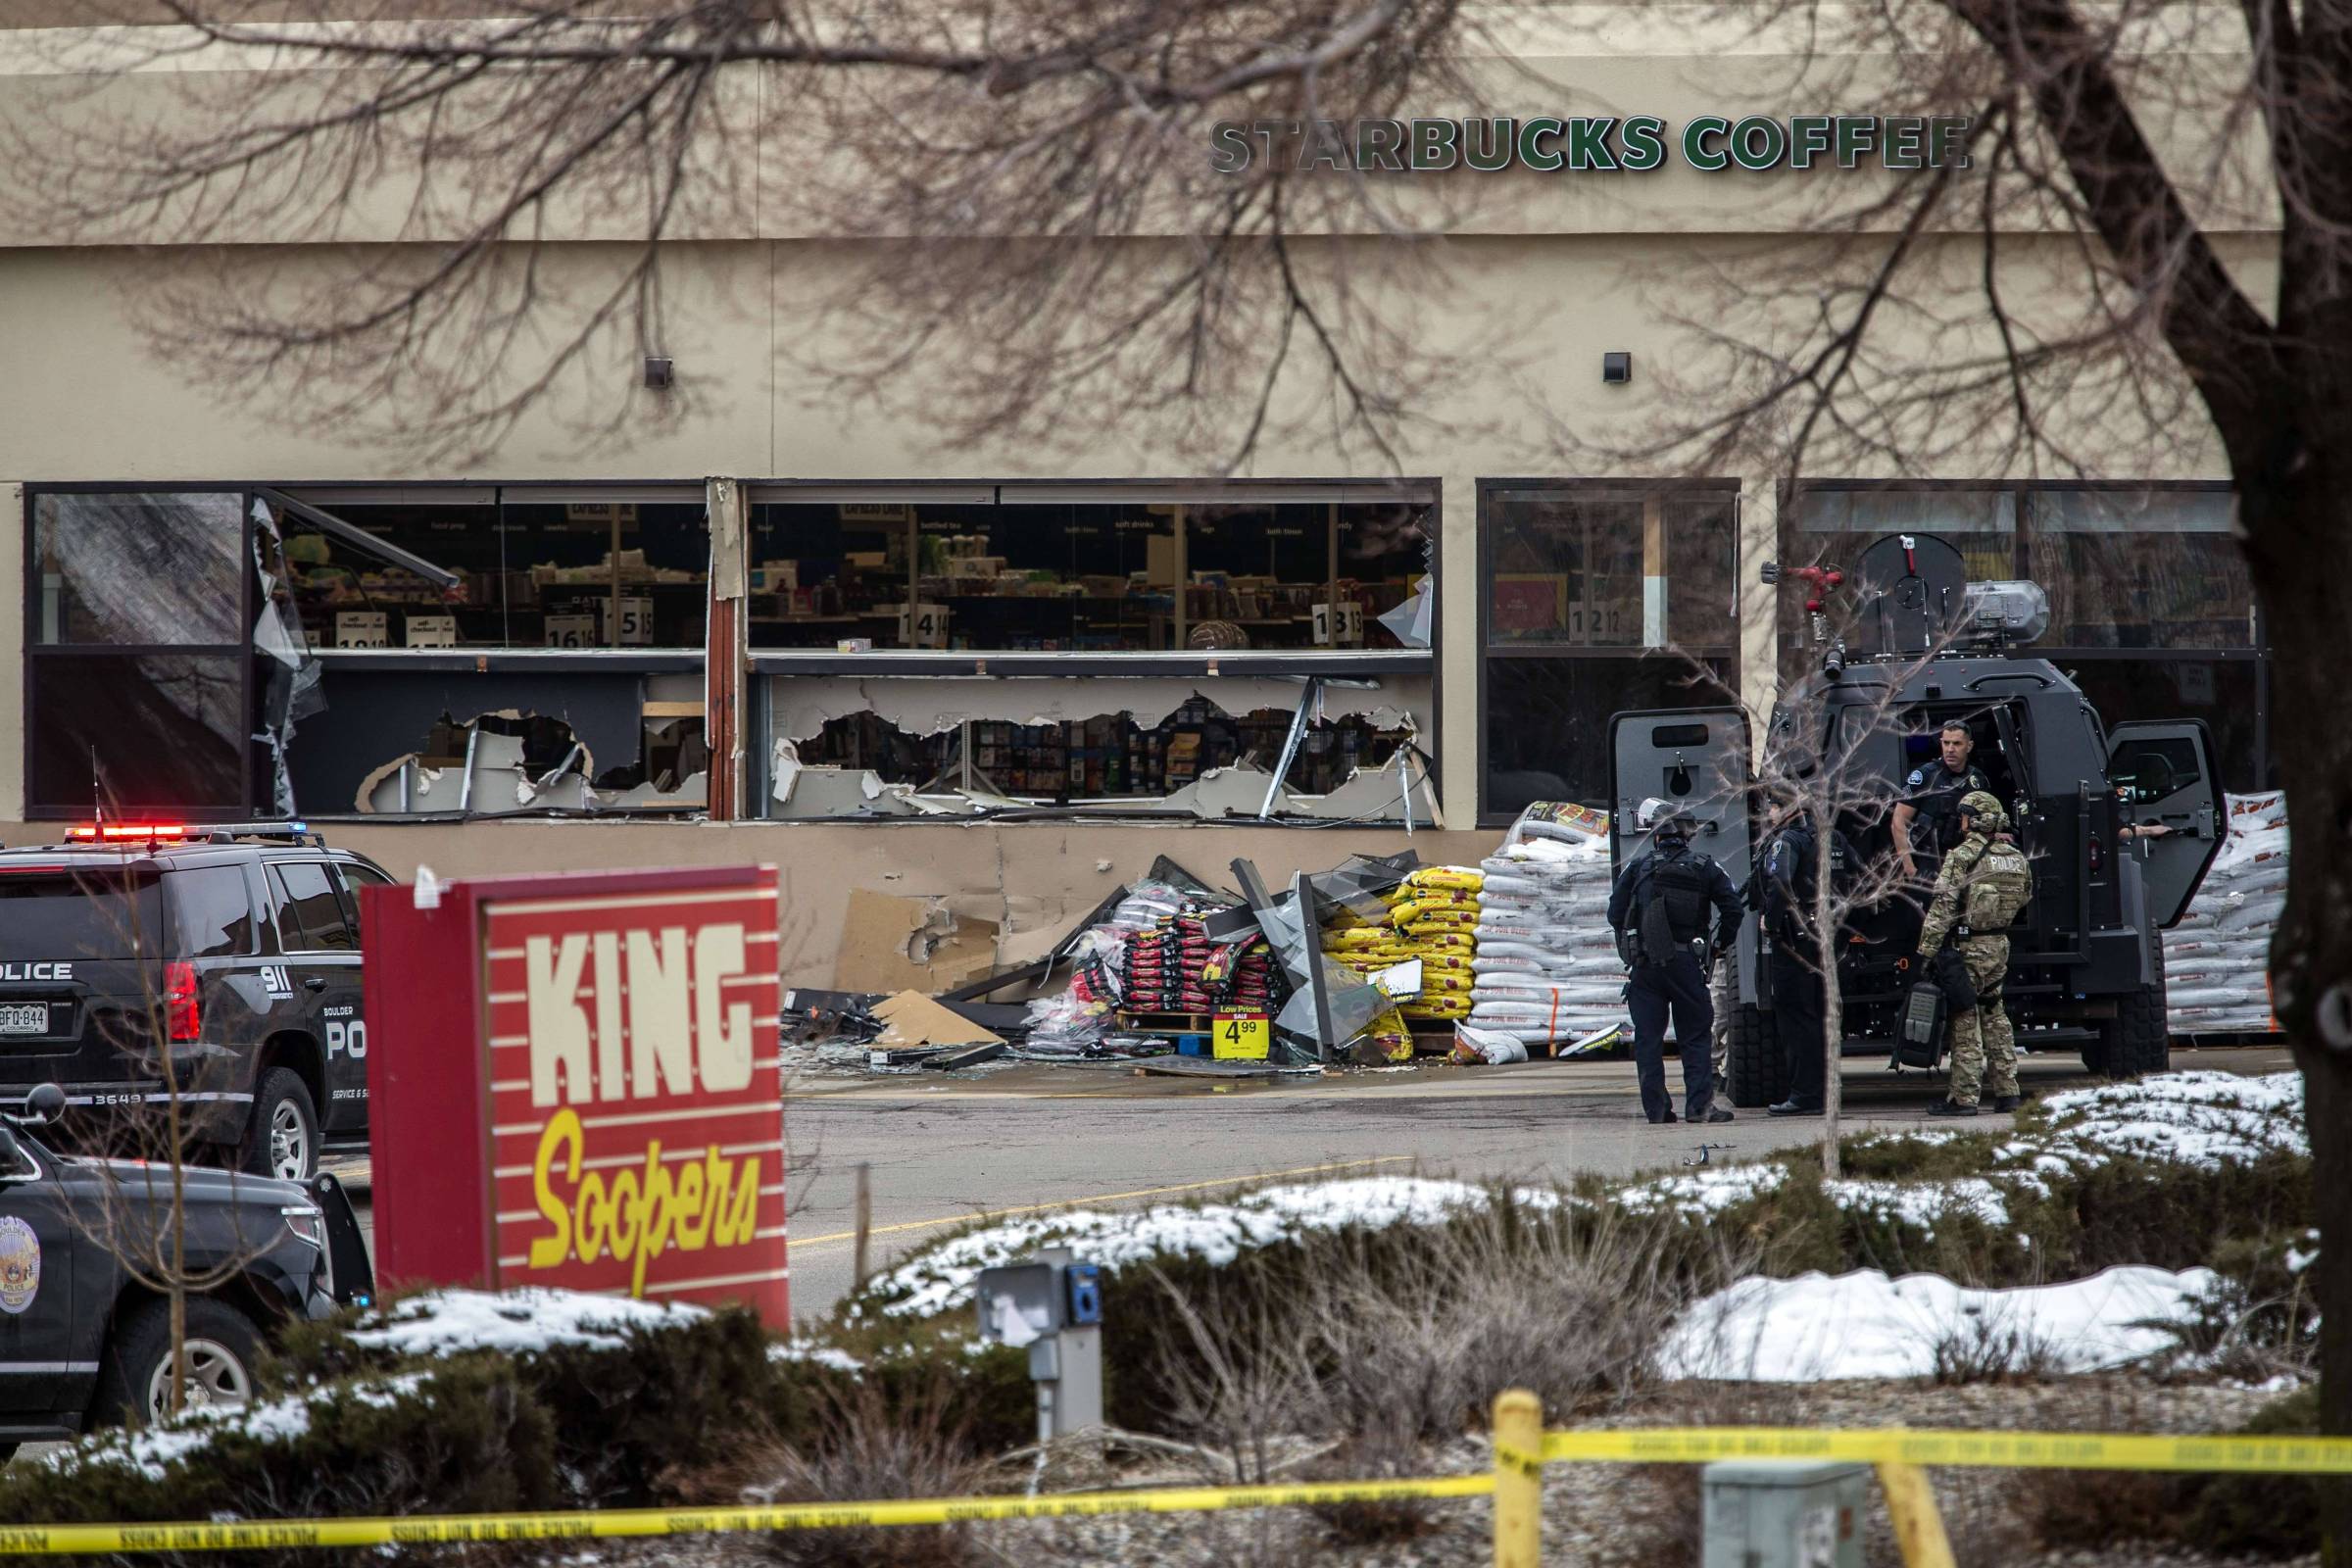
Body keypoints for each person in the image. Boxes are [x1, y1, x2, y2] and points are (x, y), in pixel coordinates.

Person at [1607, 807, 1745, 1125]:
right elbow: (1733, 910)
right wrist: (1719, 945)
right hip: (1687, 963)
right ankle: (1699, 1109)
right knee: (1695, 1037)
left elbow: (1614, 913)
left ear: (1656, 836)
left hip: (1645, 965)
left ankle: (1656, 1111)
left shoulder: (1638, 867)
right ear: (1688, 836)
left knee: (1648, 1039)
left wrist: (1632, 944)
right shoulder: (1705, 867)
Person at [1917, 790, 2034, 1117]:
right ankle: (2008, 1091)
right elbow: (2025, 896)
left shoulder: (1963, 856)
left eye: (1965, 814)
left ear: (1974, 819)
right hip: (1999, 946)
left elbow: (1942, 906)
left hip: (1968, 949)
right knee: (1996, 1015)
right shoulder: (2015, 857)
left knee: (1964, 1019)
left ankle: (1964, 1098)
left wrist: (1926, 951)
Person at [1755, 806, 1856, 1117]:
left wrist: (1771, 923)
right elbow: (1857, 875)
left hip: (1796, 940)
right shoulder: (1834, 837)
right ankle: (1826, 1090)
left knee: (1796, 1018)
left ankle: (1805, 1094)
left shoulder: (1788, 840)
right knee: (1822, 1014)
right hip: (1827, 938)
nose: (1769, 811)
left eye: (1773, 805)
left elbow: (1781, 881)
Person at [1890, 722, 1995, 882]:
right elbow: (1898, 821)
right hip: (1928, 863)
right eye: (1946, 743)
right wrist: (1909, 867)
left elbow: (1987, 824)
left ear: (1969, 746)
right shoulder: (1924, 776)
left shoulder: (1978, 780)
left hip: (1964, 863)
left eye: (1957, 743)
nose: (1950, 749)